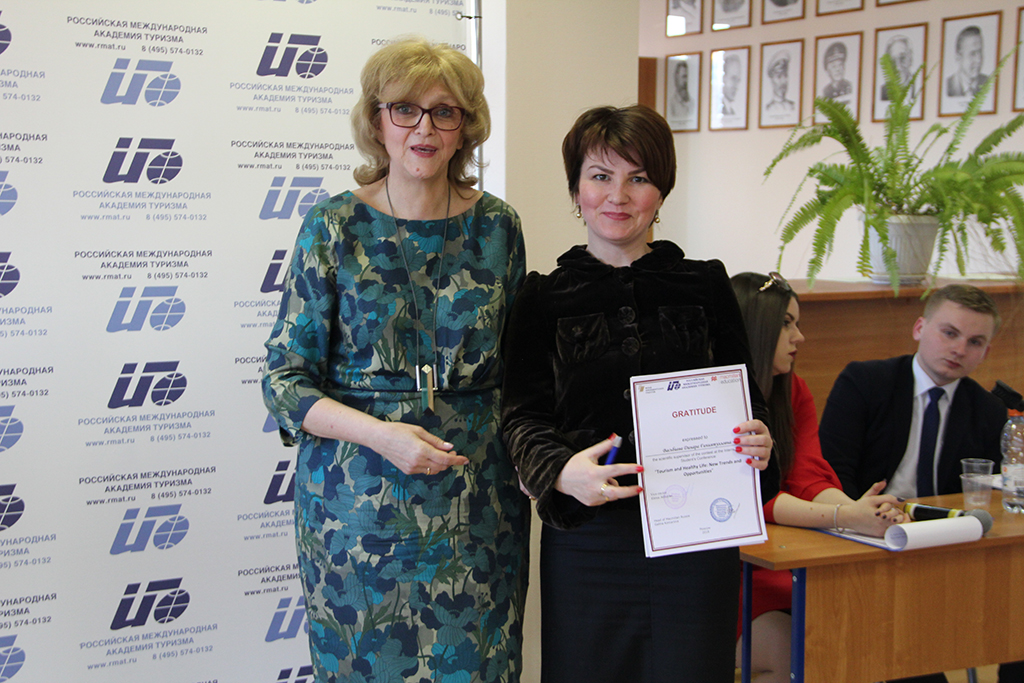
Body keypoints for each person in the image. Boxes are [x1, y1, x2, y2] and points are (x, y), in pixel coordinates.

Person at [262, 37, 529, 683]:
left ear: (466, 127)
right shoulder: (332, 226)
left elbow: (522, 370)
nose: (424, 128)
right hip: (356, 515)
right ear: (376, 121)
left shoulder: (499, 227)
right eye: (405, 109)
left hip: (478, 511)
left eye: (445, 111)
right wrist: (382, 435)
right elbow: (284, 380)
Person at [501, 105, 778, 683]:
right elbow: (522, 418)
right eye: (600, 176)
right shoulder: (542, 297)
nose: (618, 196)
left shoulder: (706, 284)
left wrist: (759, 439)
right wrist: (560, 473)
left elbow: (748, 401)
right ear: (576, 190)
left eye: (639, 178)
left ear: (662, 190)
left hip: (698, 537)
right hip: (589, 540)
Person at [819, 284, 1024, 683]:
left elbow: (990, 495)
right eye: (950, 333)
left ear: (986, 352)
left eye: (975, 342)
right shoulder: (864, 382)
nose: (959, 349)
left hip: (946, 548)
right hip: (869, 542)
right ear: (919, 328)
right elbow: (833, 474)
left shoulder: (988, 410)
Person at [730, 272, 906, 683]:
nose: (800, 337)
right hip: (731, 570)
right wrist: (845, 517)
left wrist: (860, 510)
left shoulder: (793, 391)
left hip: (785, 561)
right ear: (757, 327)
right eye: (786, 324)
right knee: (794, 653)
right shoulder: (720, 395)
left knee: (852, 630)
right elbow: (754, 499)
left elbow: (808, 474)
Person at [947, 25, 988, 98]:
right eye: (973, 54)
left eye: (980, 52)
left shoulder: (988, 82)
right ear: (958, 57)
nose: (978, 60)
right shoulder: (948, 86)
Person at [880, 34, 915, 101]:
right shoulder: (884, 91)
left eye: (902, 57)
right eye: (893, 60)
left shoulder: (918, 87)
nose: (898, 66)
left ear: (910, 58)